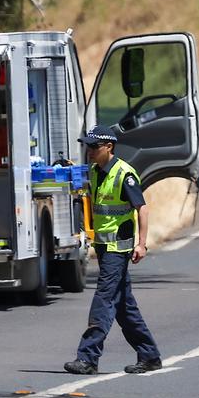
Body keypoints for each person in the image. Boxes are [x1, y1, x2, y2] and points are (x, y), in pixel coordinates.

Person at [64, 125, 161, 375]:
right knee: (124, 307)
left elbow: (142, 208)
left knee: (104, 300)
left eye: (94, 147)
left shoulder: (124, 174)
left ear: (109, 147)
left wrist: (142, 243)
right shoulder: (96, 172)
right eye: (88, 147)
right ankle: (149, 356)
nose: (90, 152)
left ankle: (87, 357)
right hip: (104, 247)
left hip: (118, 249)